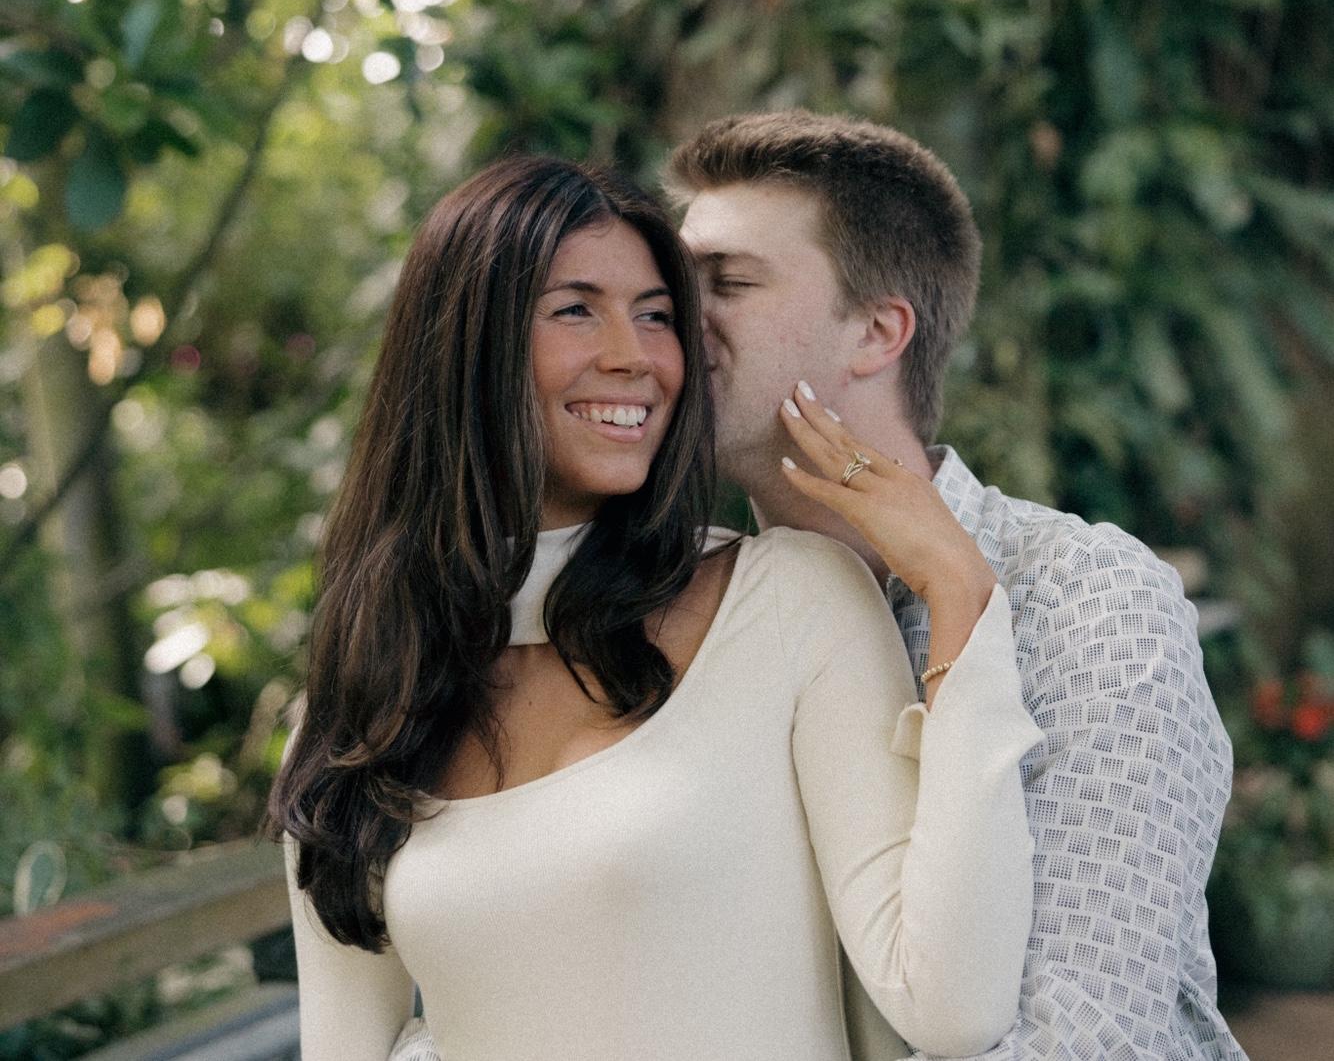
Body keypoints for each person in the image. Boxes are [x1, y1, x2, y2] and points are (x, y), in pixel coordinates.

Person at [269, 155, 1043, 1061]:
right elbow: (344, 1046)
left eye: (655, 316)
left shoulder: (789, 602)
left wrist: (958, 587)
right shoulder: (362, 707)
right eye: (574, 310)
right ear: (465, 347)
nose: (633, 357)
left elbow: (951, 1006)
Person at [667, 110, 1246, 1061]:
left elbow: (1081, 1041)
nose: (669, 321)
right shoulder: (682, 607)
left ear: (876, 332)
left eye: (726, 283)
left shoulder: (1087, 600)